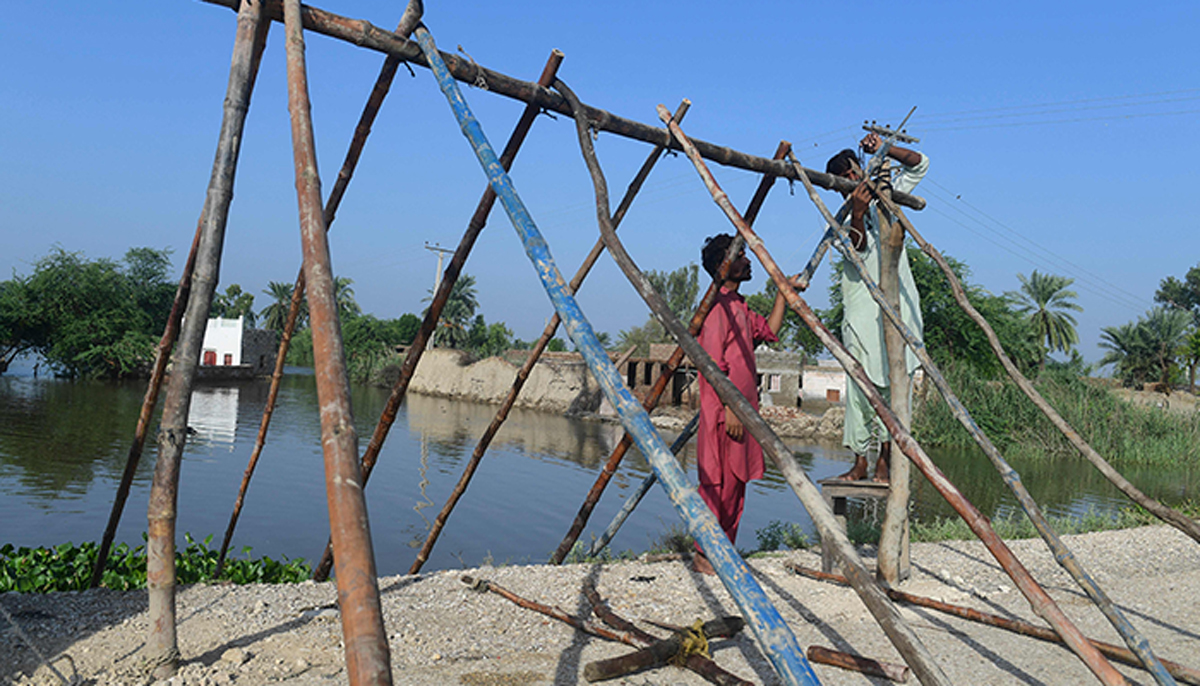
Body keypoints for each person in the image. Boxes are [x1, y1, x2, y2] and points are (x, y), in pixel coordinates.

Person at [827, 133, 929, 482]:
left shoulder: (889, 191)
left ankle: (886, 460)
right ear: (839, 186)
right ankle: (860, 463)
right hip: (862, 320)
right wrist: (857, 211)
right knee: (859, 389)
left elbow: (919, 162)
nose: (855, 180)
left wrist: (884, 147)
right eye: (847, 178)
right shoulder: (841, 219)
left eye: (855, 171)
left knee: (894, 388)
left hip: (899, 311)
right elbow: (857, 248)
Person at [692, 234, 792, 575]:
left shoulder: (739, 307)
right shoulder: (716, 308)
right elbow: (713, 363)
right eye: (741, 256)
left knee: (736, 485)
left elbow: (769, 330)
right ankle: (706, 555)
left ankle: (724, 552)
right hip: (725, 412)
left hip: (743, 411)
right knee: (717, 482)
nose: (748, 261)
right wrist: (732, 407)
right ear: (724, 265)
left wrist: (782, 292)